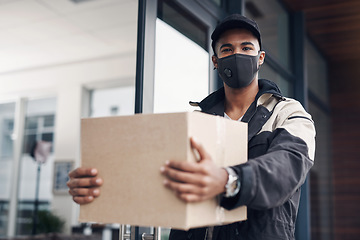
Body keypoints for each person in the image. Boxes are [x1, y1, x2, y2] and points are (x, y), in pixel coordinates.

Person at [68, 14, 315, 240]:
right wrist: (100, 187)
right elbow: (159, 179)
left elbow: (288, 166)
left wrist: (228, 179)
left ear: (260, 58)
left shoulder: (288, 112)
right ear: (216, 61)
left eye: (246, 47)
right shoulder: (196, 121)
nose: (237, 54)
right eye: (227, 49)